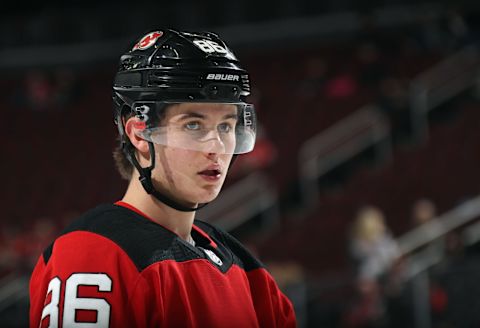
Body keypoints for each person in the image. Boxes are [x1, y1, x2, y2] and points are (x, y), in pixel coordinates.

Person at [29, 28, 296, 327]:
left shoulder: (246, 269)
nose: (216, 147)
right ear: (140, 133)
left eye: (226, 126)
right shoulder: (94, 251)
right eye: (193, 125)